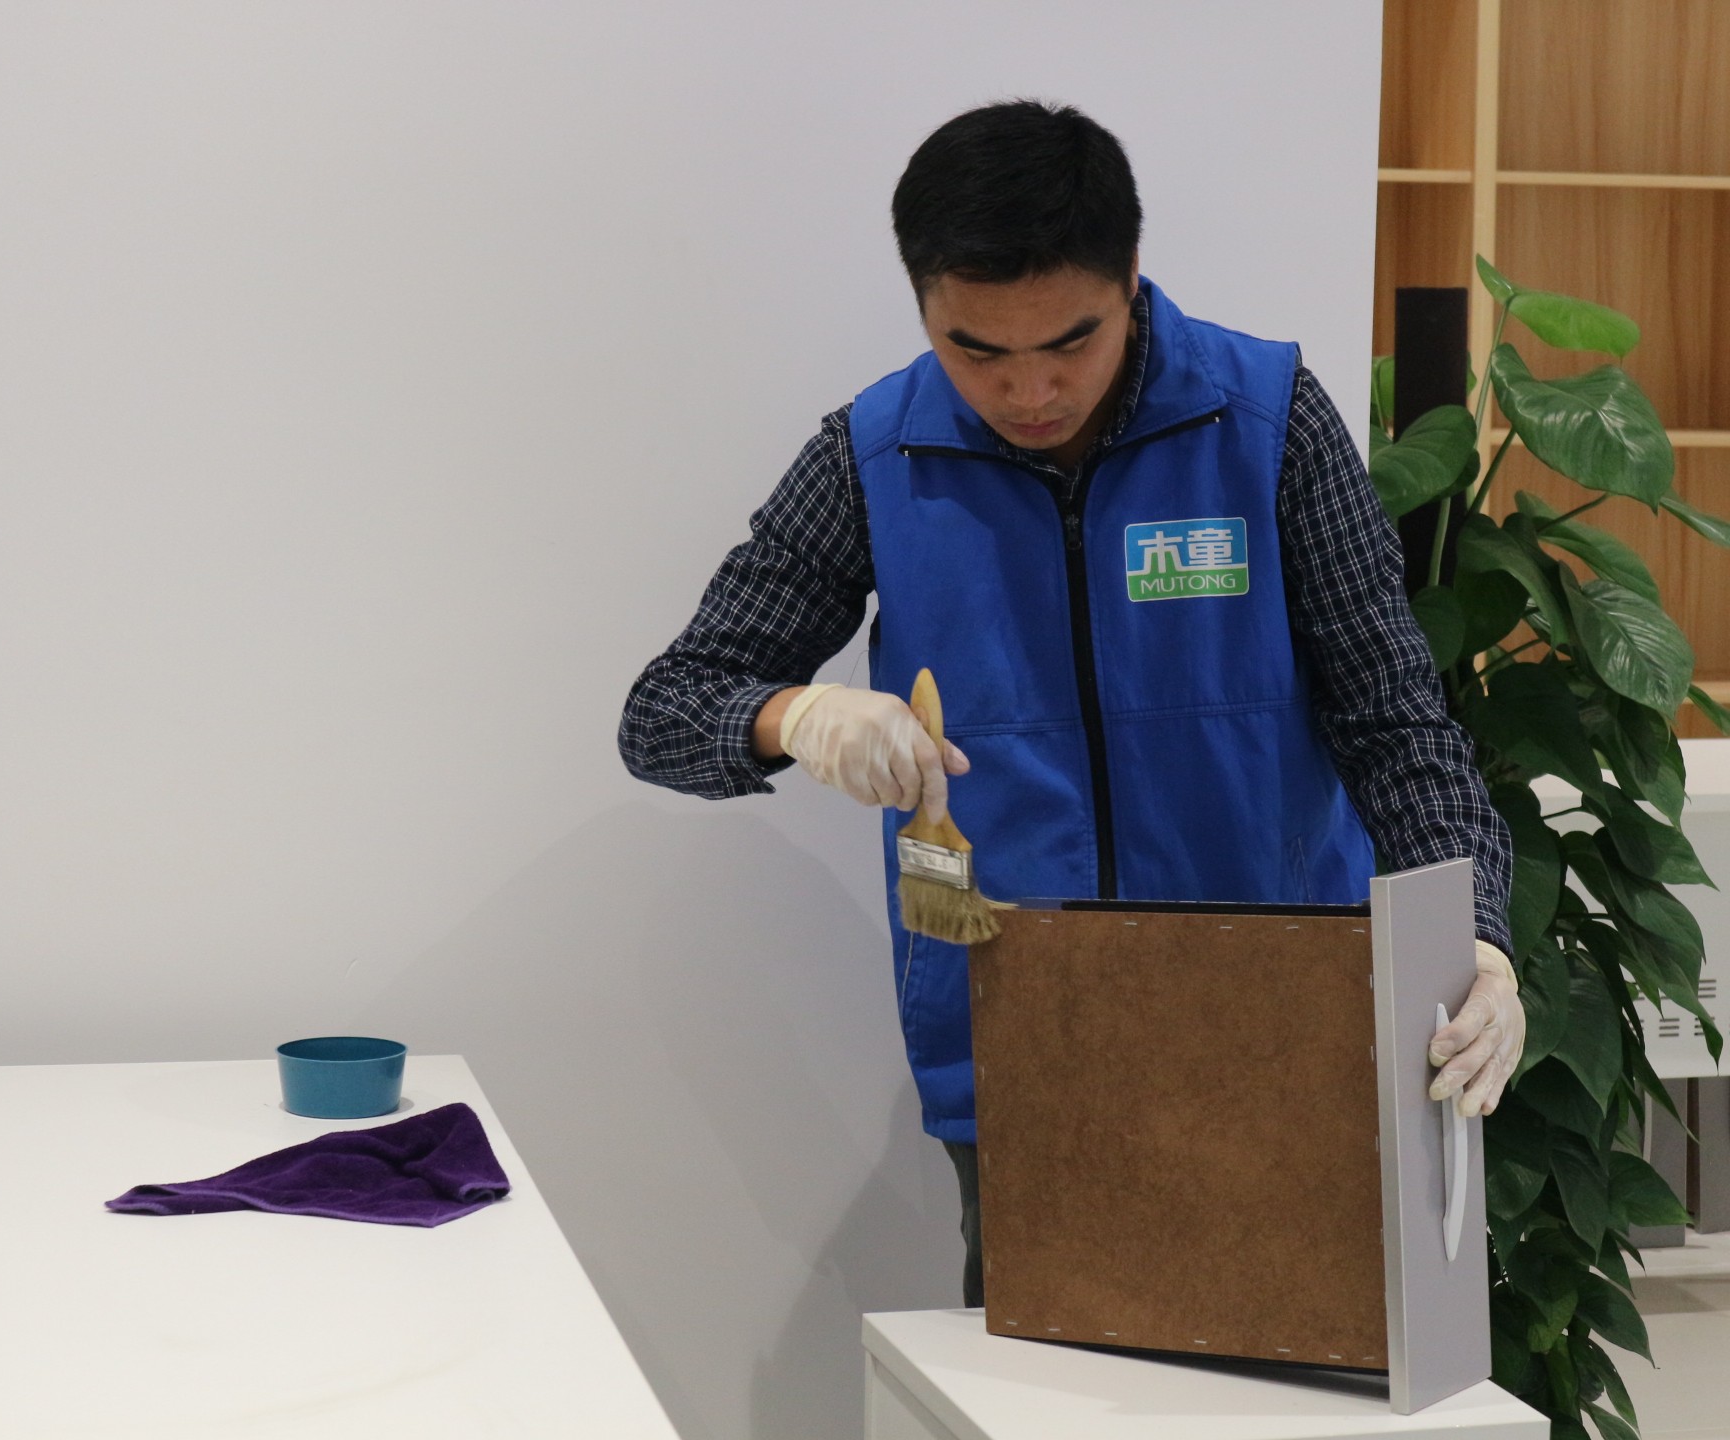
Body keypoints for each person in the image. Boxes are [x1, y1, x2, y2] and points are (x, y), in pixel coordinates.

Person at [618, 100, 1521, 1307]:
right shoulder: (876, 456)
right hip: (1020, 1046)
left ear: (1131, 277)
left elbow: (1395, 723)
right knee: (1043, 1382)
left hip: (1283, 1026)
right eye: (976, 351)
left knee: (1292, 1370)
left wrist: (1477, 940)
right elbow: (666, 711)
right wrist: (795, 718)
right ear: (923, 306)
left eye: (1069, 343)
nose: (1028, 389)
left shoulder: (1264, 422)